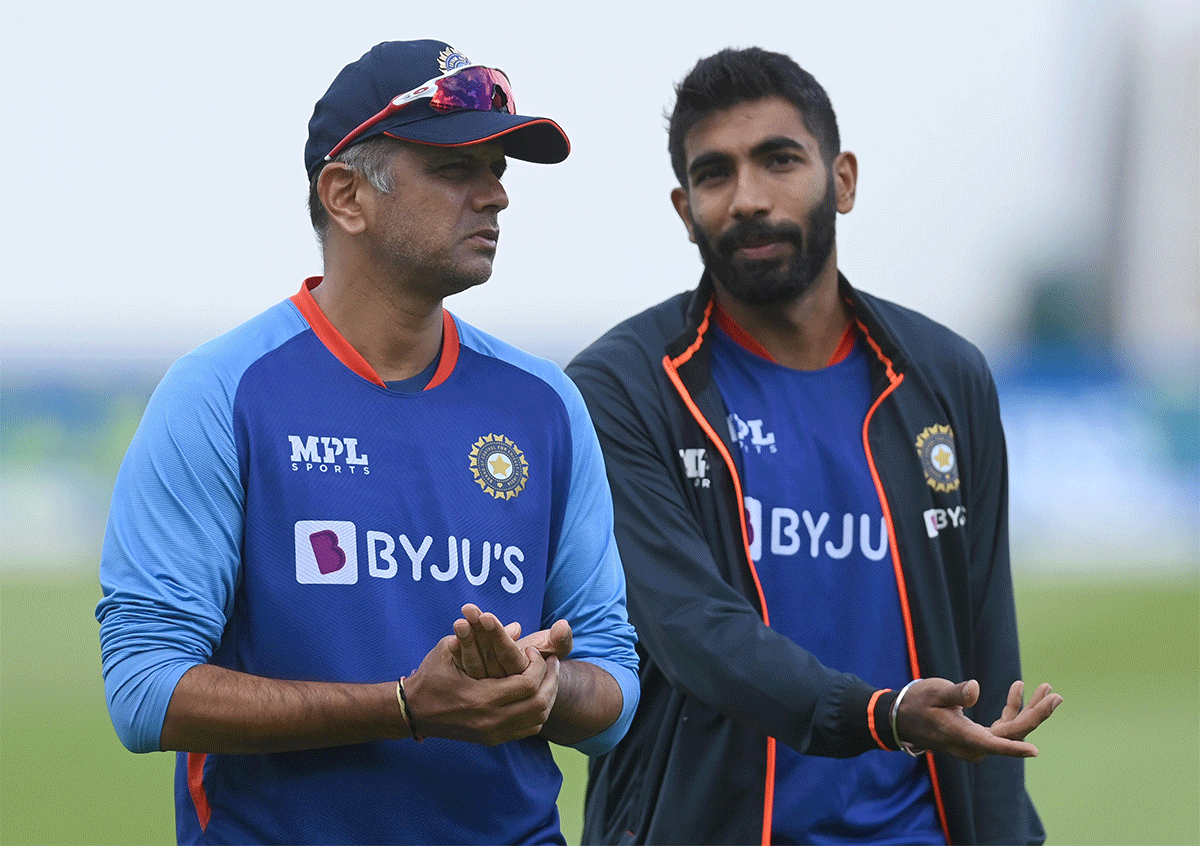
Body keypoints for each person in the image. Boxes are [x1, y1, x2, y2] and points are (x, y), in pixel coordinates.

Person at [96, 39, 639, 846]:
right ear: (346, 194)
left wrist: (544, 690)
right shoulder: (221, 392)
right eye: (457, 169)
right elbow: (144, 692)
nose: (496, 196)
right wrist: (405, 707)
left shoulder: (546, 403)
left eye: (499, 169)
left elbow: (616, 691)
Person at [567, 47, 1061, 846]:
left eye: (780, 160)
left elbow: (984, 647)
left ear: (844, 180)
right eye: (715, 174)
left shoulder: (945, 376)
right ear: (684, 207)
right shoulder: (622, 390)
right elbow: (694, 632)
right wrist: (878, 715)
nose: (749, 199)